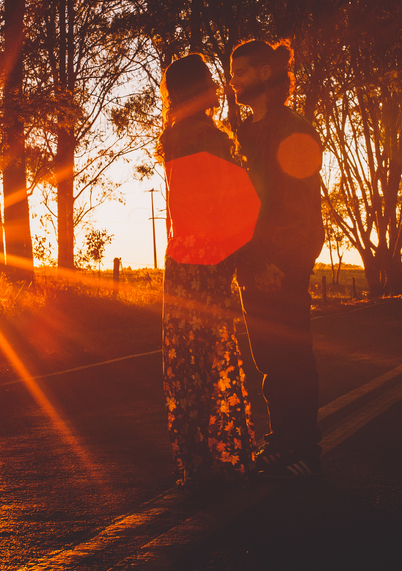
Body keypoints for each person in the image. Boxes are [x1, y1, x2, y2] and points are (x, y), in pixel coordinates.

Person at [158, 53, 257, 493]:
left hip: (181, 259)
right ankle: (224, 457)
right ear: (203, 88)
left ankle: (195, 461)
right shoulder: (211, 138)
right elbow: (233, 202)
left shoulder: (173, 137)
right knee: (215, 353)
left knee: (186, 362)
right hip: (212, 259)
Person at [229, 39, 324, 479]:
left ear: (265, 74)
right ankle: (281, 441)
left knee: (293, 358)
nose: (233, 82)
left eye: (241, 72)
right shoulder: (245, 133)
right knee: (268, 362)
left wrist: (281, 264)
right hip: (252, 264)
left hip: (284, 266)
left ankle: (305, 448)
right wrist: (248, 261)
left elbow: (301, 207)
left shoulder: (295, 129)